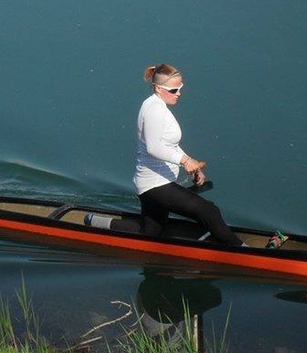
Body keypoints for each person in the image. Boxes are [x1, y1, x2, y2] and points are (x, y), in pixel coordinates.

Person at [93, 63, 245, 246]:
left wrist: (192, 165)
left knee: (151, 232)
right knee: (209, 211)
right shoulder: (154, 110)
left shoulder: (159, 106)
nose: (179, 93)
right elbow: (154, 147)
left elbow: (170, 144)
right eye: (173, 90)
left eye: (180, 88)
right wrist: (184, 160)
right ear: (158, 88)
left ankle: (94, 221)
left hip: (155, 184)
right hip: (155, 185)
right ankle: (242, 250)